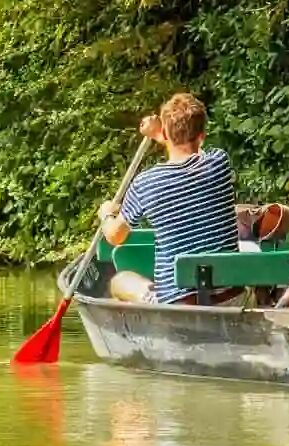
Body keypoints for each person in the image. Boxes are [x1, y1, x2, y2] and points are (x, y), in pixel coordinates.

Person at [99, 93, 240, 304]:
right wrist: (161, 132)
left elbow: (115, 237)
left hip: (179, 304)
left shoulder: (146, 183)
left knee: (120, 280)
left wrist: (107, 214)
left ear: (165, 133)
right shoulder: (218, 163)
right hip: (230, 298)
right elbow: (192, 149)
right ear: (202, 135)